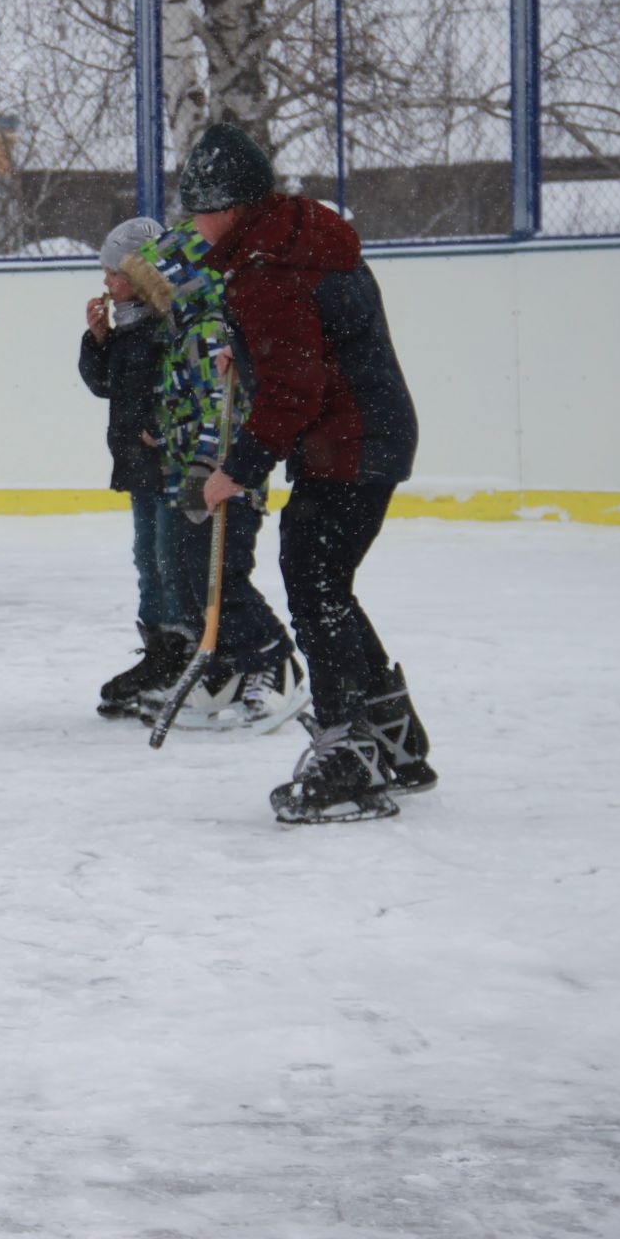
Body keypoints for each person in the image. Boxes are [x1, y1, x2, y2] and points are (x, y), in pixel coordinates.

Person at [178, 121, 433, 823]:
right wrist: (251, 355)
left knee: (314, 581)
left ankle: (347, 754)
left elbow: (298, 387)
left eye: (197, 209)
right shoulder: (301, 235)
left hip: (344, 444)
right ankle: (393, 737)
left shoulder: (262, 267)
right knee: (328, 583)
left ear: (227, 206)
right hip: (371, 433)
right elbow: (312, 340)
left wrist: (239, 468)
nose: (193, 225)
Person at [120, 219, 306, 732]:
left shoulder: (211, 331)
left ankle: (274, 661)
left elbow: (222, 409)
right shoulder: (183, 329)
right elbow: (184, 401)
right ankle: (223, 669)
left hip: (221, 479)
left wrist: (210, 466)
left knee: (218, 574)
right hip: (189, 475)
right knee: (188, 573)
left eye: (154, 282)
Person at [77, 214, 196, 720]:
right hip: (138, 466)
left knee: (170, 559)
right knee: (148, 557)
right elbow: (105, 385)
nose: (105, 283)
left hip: (165, 464)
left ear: (141, 275)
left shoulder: (167, 327)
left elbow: (177, 389)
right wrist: (97, 341)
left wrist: (157, 426)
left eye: (113, 274)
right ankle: (158, 651)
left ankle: (181, 653)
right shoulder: (127, 327)